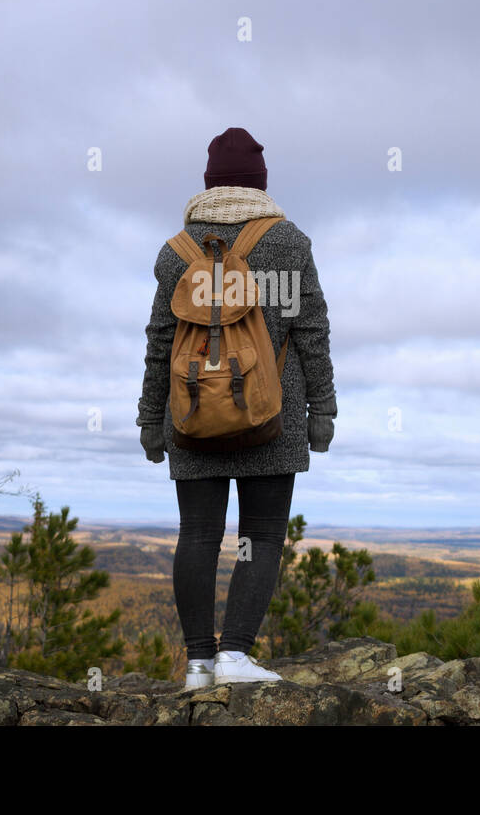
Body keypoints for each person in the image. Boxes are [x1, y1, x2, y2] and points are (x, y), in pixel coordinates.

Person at [137, 127, 336, 689]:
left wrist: (151, 418)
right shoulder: (288, 242)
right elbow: (311, 330)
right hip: (271, 414)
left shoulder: (176, 251)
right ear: (260, 185)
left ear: (209, 184)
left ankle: (199, 663)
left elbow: (159, 339)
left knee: (197, 533)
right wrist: (322, 407)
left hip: (193, 411)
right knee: (263, 534)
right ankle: (236, 657)